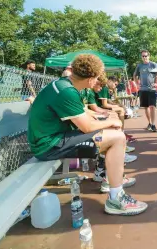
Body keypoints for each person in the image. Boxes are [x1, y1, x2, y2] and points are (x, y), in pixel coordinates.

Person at [28, 54, 147, 215]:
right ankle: (115, 199)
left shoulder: (65, 85)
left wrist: (106, 119)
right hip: (49, 145)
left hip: (54, 138)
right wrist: (111, 122)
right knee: (117, 138)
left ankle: (107, 177)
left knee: (111, 134)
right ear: (91, 79)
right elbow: (87, 126)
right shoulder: (67, 92)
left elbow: (85, 114)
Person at [133, 50, 157, 132]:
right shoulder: (139, 66)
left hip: (152, 89)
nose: (144, 57)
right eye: (143, 56)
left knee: (152, 107)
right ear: (141, 57)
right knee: (146, 108)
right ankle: (149, 123)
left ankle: (153, 125)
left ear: (149, 56)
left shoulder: (153, 64)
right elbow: (134, 75)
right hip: (143, 89)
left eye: (146, 56)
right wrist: (137, 84)